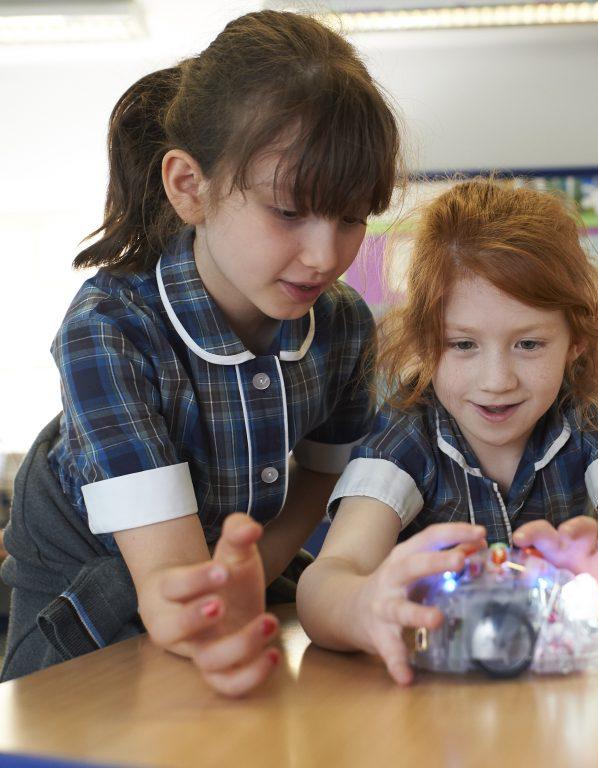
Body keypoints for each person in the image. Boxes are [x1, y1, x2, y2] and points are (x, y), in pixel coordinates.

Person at [0, 10, 400, 696]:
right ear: (190, 186)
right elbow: (169, 585)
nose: (325, 254)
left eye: (353, 217)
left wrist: (261, 565)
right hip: (90, 591)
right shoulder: (108, 330)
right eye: (288, 211)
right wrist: (216, 602)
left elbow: (323, 471)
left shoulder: (343, 326)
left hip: (225, 565)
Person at [297, 179, 598, 684]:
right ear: (424, 340)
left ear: (574, 341)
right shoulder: (405, 429)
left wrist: (584, 597)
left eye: (528, 344)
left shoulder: (595, 410)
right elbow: (327, 579)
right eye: (462, 345)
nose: (497, 381)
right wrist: (362, 606)